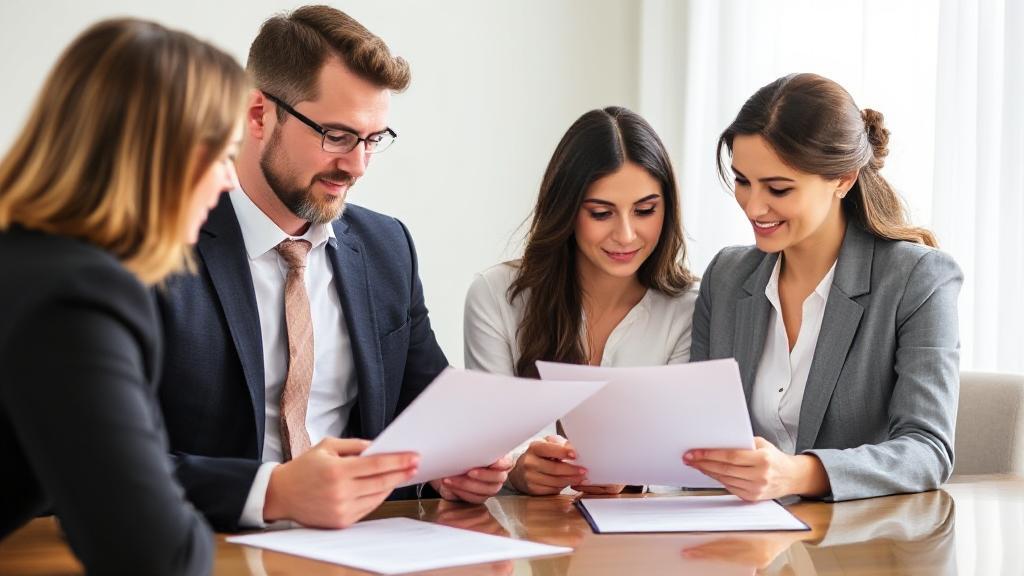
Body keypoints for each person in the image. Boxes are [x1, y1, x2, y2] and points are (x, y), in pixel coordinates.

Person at [156, 5, 510, 532]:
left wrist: (457, 466)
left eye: (373, 140)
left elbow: (429, 408)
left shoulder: (387, 245)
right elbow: (100, 457)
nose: (357, 165)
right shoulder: (159, 244)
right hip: (209, 544)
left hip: (360, 547)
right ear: (259, 115)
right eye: (337, 136)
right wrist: (272, 493)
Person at [0, 18, 247, 574]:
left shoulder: (23, 263)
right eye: (225, 155)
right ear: (173, 157)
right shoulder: (78, 295)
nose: (230, 180)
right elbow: (159, 556)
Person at [686, 73, 962, 502]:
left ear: (843, 179)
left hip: (854, 550)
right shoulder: (726, 277)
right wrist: (625, 470)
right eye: (742, 181)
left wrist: (798, 474)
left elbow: (927, 450)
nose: (754, 207)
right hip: (742, 546)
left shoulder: (917, 280)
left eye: (778, 188)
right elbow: (695, 431)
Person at [465, 106, 699, 496]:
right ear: (567, 210)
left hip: (643, 545)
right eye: (601, 213)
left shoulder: (689, 308)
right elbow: (490, 444)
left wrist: (631, 476)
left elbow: (681, 463)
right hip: (525, 541)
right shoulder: (496, 296)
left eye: (645, 210)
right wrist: (521, 470)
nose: (625, 235)